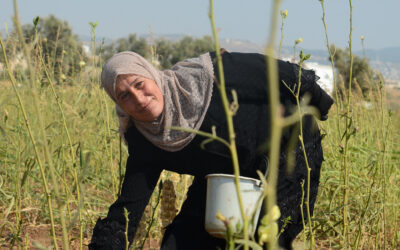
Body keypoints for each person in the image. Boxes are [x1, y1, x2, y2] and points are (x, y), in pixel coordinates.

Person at [89, 50, 334, 250]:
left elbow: (273, 72)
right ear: (118, 103)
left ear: (152, 75)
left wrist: (320, 104)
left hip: (288, 149)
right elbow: (128, 210)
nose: (139, 99)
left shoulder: (209, 75)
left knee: (266, 238)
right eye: (125, 96)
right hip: (224, 173)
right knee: (181, 243)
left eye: (139, 84)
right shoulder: (144, 138)